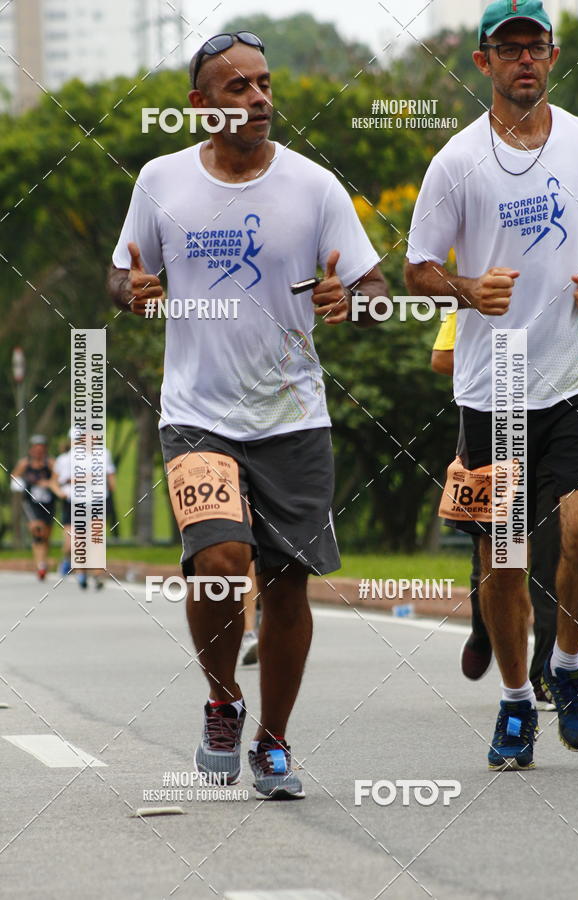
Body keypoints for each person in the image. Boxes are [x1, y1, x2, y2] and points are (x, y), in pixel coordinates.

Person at [108, 31, 387, 799]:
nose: (259, 99)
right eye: (238, 88)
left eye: (264, 85)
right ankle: (222, 698)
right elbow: (122, 273)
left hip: (292, 414)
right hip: (197, 411)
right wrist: (131, 289)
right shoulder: (162, 180)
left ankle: (272, 742)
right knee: (222, 565)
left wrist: (349, 304)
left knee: (288, 584)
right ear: (200, 105)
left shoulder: (315, 187)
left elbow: (375, 293)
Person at [406, 0, 578, 770]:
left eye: (536, 45)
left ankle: (569, 666)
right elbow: (418, 267)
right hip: (494, 391)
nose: (525, 58)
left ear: (553, 56)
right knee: (506, 558)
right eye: (508, 47)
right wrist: (464, 290)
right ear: (483, 62)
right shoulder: (457, 161)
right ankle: (518, 700)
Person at [432, 313, 557, 710]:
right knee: (494, 549)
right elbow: (442, 357)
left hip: (558, 420)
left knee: (554, 552)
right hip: (490, 417)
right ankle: (483, 629)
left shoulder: (568, 284)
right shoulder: (480, 292)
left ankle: (546, 673)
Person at [52, 428, 116, 590]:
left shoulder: (103, 454)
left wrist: (109, 486)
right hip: (76, 502)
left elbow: (109, 476)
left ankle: (97, 575)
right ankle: (79, 571)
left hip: (98, 500)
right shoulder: (68, 458)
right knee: (76, 541)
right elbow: (59, 481)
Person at [11, 435, 56, 580]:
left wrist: (48, 483)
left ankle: (42, 561)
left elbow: (58, 479)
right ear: (31, 450)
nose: (38, 452)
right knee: (37, 530)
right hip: (31, 503)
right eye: (36, 449)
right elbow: (14, 477)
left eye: (41, 449)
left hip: (48, 503)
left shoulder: (50, 463)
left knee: (46, 535)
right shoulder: (24, 464)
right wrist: (20, 483)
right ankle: (41, 566)